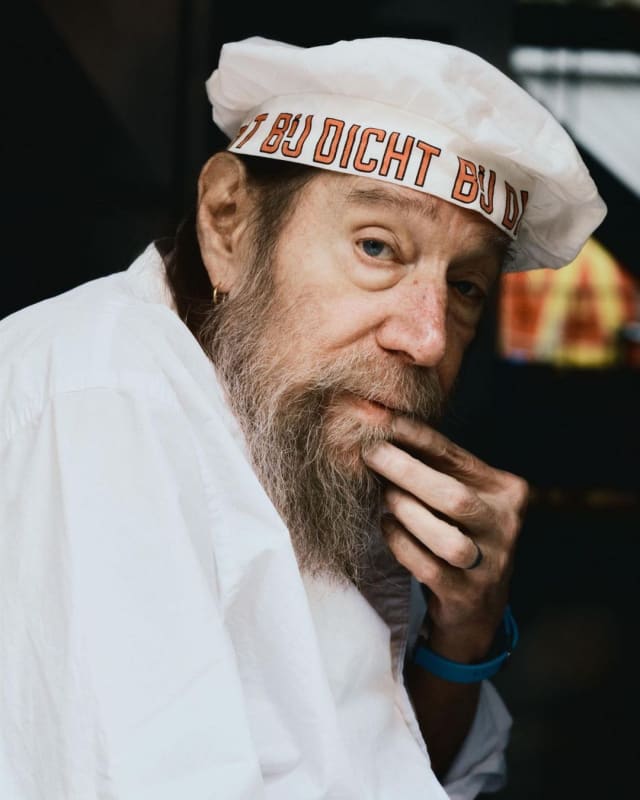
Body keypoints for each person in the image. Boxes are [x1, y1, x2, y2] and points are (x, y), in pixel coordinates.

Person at [0, 35, 606, 800]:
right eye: (378, 247)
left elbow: (421, 772)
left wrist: (463, 632)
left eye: (466, 287)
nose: (425, 338)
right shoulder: (100, 396)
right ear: (229, 223)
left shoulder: (304, 430)